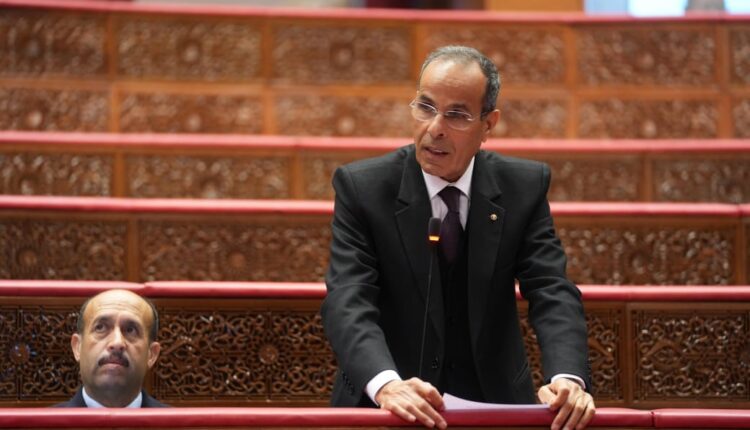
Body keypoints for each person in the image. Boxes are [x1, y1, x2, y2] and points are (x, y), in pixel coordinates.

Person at [320, 45, 595, 430]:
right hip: (387, 404)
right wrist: (386, 385)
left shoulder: (523, 187)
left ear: (489, 124)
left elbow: (551, 289)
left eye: (456, 115)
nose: (435, 128)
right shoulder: (363, 188)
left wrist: (567, 378)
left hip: (493, 402)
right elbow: (348, 298)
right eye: (426, 107)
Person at [55, 289, 166, 408]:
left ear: (151, 354)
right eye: (100, 328)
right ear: (77, 347)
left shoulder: (177, 420)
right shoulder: (43, 420)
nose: (117, 343)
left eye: (130, 330)